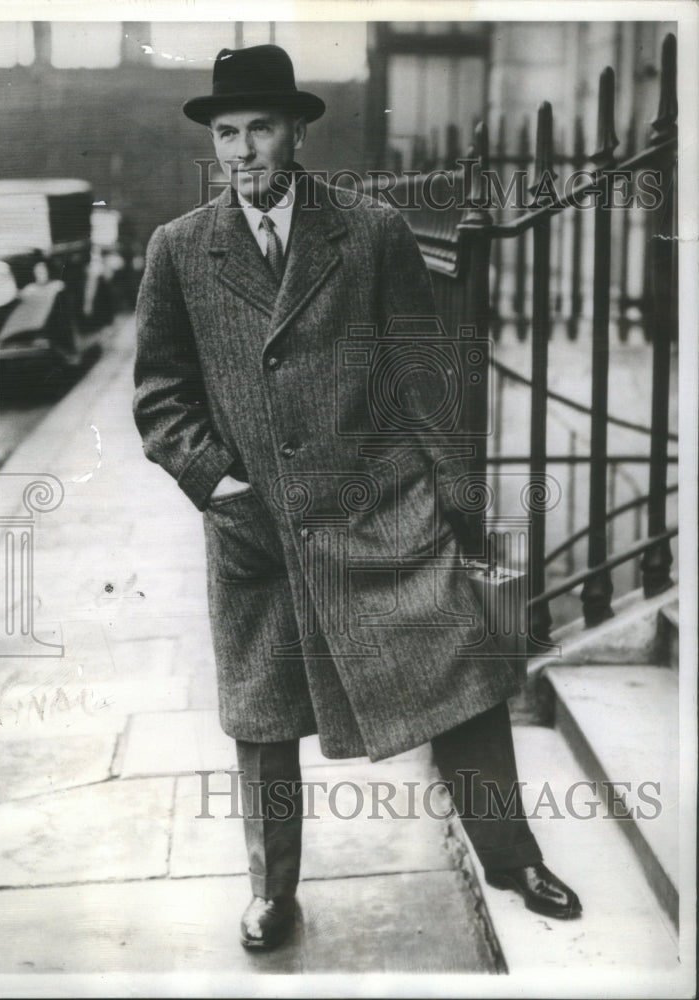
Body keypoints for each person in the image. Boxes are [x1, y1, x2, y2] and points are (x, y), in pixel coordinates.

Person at [133, 43, 581, 951]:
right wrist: (221, 485)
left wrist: (454, 505)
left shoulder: (369, 229)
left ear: (296, 131)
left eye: (261, 127)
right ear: (214, 144)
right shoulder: (179, 250)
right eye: (228, 133)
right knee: (261, 717)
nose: (245, 149)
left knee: (464, 668)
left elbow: (424, 376)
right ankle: (272, 893)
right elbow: (160, 397)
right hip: (259, 523)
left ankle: (511, 856)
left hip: (384, 508)